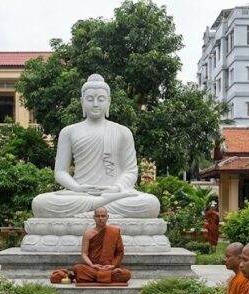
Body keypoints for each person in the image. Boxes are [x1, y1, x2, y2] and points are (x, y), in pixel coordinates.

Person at [31, 74, 160, 218]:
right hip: (80, 194)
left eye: (101, 99)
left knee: (151, 204)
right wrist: (77, 188)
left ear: (109, 102)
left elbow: (130, 171)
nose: (96, 104)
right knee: (40, 203)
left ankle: (97, 207)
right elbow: (60, 172)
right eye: (90, 99)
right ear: (82, 102)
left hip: (115, 193)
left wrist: (115, 189)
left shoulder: (123, 132)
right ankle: (101, 206)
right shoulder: (69, 132)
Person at [72, 207, 132, 283]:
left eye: (103, 216)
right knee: (77, 268)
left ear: (107, 217)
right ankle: (107, 276)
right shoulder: (88, 234)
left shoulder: (115, 232)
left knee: (126, 274)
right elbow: (84, 253)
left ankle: (96, 276)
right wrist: (92, 265)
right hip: (93, 267)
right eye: (98, 216)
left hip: (109, 267)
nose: (100, 218)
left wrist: (112, 266)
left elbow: (119, 253)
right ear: (94, 217)